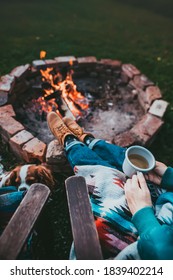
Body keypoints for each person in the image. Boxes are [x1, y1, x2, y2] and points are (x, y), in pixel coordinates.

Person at [47, 111, 173, 260]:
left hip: (149, 231)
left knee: (103, 175)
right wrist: (169, 177)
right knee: (126, 157)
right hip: (167, 197)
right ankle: (87, 139)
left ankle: (69, 141)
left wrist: (142, 213)